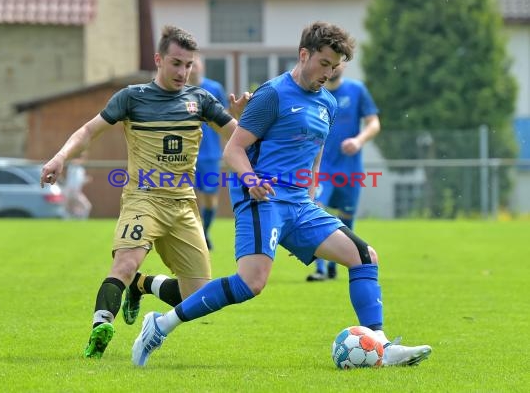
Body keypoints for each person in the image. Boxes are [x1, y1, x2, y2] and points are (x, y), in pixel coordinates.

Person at [131, 21, 432, 367]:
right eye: (324, 63)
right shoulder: (272, 94)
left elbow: (315, 152)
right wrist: (252, 180)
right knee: (251, 283)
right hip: (263, 199)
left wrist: (312, 193)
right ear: (304, 55)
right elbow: (234, 150)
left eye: (335, 67)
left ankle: (380, 344)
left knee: (364, 256)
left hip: (300, 206)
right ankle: (160, 325)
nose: (329, 73)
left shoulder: (329, 104)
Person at [40, 25, 249, 359]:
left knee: (197, 297)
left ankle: (142, 284)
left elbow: (239, 138)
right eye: (177, 63)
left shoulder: (202, 100)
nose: (183, 72)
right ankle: (100, 329)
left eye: (188, 65)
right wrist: (61, 156)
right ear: (158, 59)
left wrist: (244, 120)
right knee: (124, 263)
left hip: (182, 204)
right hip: (143, 199)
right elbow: (89, 130)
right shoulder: (131, 97)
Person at [306, 61, 380, 281]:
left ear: (343, 66)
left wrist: (358, 141)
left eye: (336, 63)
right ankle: (319, 268)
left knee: (346, 217)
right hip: (321, 168)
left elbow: (374, 123)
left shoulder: (356, 90)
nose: (332, 68)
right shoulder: (313, 94)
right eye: (327, 63)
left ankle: (335, 266)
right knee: (316, 211)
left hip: (350, 168)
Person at [188, 55, 229, 250]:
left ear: (202, 67)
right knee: (188, 197)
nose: (192, 68)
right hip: (186, 155)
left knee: (210, 198)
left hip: (210, 154)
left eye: (195, 64)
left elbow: (226, 119)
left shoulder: (214, 89)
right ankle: (194, 235)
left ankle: (205, 231)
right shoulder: (179, 90)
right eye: (190, 65)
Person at [64, 152, 92, 219]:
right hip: (71, 191)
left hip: (75, 191)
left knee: (73, 209)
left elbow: (79, 180)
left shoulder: (81, 169)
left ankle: (74, 222)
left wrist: (86, 180)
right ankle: (79, 222)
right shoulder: (74, 164)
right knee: (86, 206)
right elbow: (74, 162)